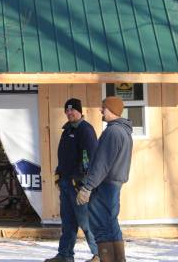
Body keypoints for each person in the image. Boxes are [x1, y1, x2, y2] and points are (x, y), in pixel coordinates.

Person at [76, 96, 133, 262]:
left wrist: (87, 187)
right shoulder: (123, 131)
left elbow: (102, 163)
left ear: (112, 110)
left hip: (105, 186)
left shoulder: (113, 132)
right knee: (111, 225)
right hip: (113, 185)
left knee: (102, 226)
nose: (101, 110)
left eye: (104, 108)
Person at [45, 98, 100, 262]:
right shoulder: (67, 129)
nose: (69, 113)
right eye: (67, 110)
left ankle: (99, 254)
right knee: (67, 221)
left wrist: (85, 182)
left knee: (86, 222)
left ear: (80, 111)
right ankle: (65, 254)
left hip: (79, 185)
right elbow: (64, 156)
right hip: (65, 182)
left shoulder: (86, 130)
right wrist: (58, 173)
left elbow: (92, 158)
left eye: (73, 110)